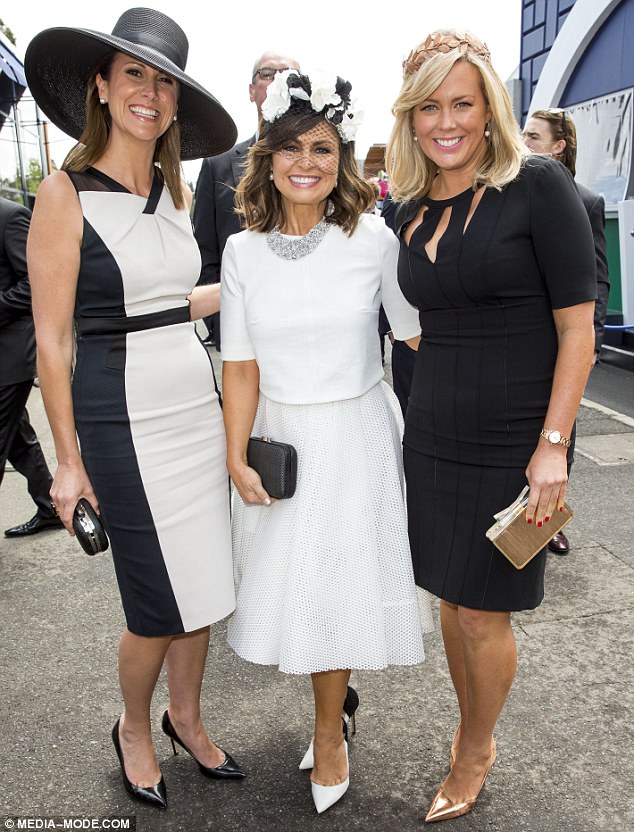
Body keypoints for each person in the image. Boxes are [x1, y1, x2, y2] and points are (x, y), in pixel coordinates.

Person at [24, 8, 243, 810]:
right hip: (121, 420)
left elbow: (174, 303)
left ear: (177, 103)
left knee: (204, 586)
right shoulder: (64, 193)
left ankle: (186, 718)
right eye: (134, 75)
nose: (149, 93)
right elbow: (53, 342)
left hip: (194, 406)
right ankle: (133, 728)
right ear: (102, 87)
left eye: (164, 82)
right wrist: (67, 462)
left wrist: (262, 276)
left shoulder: (173, 189)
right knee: (156, 601)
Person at [385, 31, 596, 823]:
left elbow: (579, 328)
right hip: (433, 429)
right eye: (429, 107)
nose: (446, 122)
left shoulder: (536, 184)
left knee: (484, 608)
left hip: (517, 438)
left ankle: (475, 748)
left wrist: (553, 448)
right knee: (449, 596)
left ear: (489, 109)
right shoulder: (409, 207)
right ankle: (469, 723)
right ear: (410, 118)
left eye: (462, 104)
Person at [220, 69, 433, 814]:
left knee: (338, 586)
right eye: (291, 148)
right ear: (268, 157)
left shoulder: (374, 240)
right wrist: (235, 454)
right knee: (298, 591)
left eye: (322, 148)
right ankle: (334, 711)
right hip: (280, 436)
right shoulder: (241, 252)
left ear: (342, 160)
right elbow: (239, 365)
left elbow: (416, 335)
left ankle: (328, 731)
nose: (306, 163)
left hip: (355, 434)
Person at [522, 107, 610, 555]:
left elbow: (598, 280)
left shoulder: (586, 201)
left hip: (566, 340)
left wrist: (591, 343)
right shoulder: (508, 194)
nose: (525, 142)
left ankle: (549, 521)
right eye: (523, 134)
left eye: (534, 137)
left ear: (558, 146)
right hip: (524, 338)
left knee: (560, 436)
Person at [193, 50, 300, 350]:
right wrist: (221, 322)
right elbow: (205, 253)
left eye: (289, 75)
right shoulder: (217, 166)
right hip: (242, 335)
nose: (278, 80)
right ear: (252, 91)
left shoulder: (324, 164)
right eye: (267, 74)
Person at [0, 197, 63, 537]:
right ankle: (49, 506)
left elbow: (35, 283)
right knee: (17, 438)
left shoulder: (11, 216)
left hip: (9, 356)